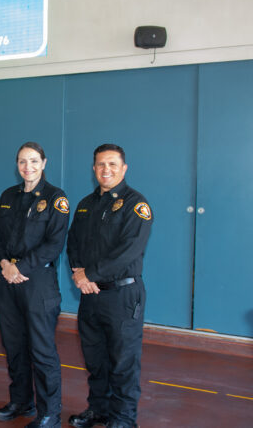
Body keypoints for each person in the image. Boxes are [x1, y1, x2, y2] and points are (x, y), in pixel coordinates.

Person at [66, 144, 153, 428]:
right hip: (91, 295)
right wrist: (79, 274)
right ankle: (99, 409)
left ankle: (124, 418)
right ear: (94, 169)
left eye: (113, 165)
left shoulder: (135, 205)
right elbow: (74, 243)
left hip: (122, 295)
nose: (106, 170)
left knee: (123, 361)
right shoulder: (86, 204)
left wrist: (88, 274)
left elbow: (128, 251)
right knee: (95, 358)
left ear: (124, 168)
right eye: (101, 165)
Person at [0, 142, 69, 428]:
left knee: (42, 349)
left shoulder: (55, 198)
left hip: (37, 281)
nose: (28, 167)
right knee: (14, 346)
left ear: (44, 163)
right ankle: (21, 401)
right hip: (7, 280)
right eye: (23, 162)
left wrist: (20, 268)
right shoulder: (8, 196)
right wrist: (4, 264)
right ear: (17, 164)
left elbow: (54, 244)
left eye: (34, 161)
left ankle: (49, 413)